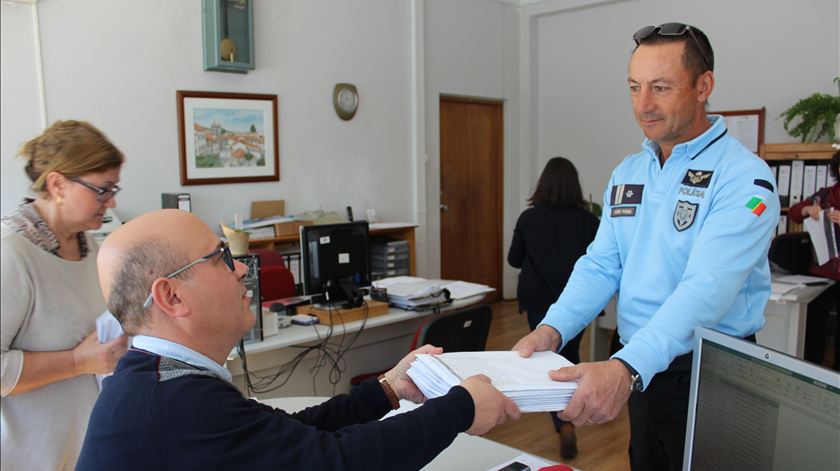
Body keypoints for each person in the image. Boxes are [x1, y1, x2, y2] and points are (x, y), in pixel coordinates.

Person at [513, 23, 779, 470]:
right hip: (640, 361)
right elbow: (601, 264)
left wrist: (625, 368)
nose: (643, 105)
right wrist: (553, 329)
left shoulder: (743, 178)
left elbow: (707, 288)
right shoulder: (630, 171)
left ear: (703, 86)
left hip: (707, 372)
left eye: (661, 87)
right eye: (634, 87)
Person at [76, 209, 521, 470]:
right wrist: (460, 409)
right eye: (220, 258)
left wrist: (388, 389)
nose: (240, 269)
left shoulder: (162, 381)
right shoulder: (173, 404)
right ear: (171, 296)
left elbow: (290, 436)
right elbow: (336, 463)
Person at [1, 120, 130, 470]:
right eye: (102, 189)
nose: (111, 201)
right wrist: (77, 362)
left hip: (83, 450)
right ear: (57, 184)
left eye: (113, 188)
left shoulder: (90, 247)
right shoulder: (10, 253)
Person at [507, 156, 599, 459]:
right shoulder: (590, 221)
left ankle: (563, 422)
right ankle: (571, 414)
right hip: (578, 302)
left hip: (538, 300)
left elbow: (514, 260)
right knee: (570, 356)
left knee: (546, 362)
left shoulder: (528, 219)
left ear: (542, 184)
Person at [787, 150, 839, 369]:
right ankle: (812, 368)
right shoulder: (825, 195)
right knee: (814, 324)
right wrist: (808, 209)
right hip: (822, 273)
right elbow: (794, 213)